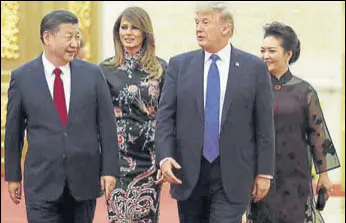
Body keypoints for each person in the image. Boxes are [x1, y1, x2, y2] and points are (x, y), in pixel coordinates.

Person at [155, 2, 275, 222]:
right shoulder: (179, 65)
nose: (198, 28)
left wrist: (264, 172)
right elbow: (165, 117)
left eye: (206, 22)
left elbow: (264, 126)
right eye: (196, 22)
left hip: (234, 173)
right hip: (189, 173)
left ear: (226, 28)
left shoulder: (254, 68)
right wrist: (165, 156)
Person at [4, 10, 120, 223]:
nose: (75, 43)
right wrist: (12, 176)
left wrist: (110, 170)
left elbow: (107, 126)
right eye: (68, 36)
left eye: (77, 36)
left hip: (84, 180)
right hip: (41, 181)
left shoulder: (93, 74)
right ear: (47, 37)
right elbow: (14, 131)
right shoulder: (22, 77)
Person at [247, 21, 341, 223]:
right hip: (263, 173)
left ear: (288, 54)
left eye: (271, 51)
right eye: (262, 51)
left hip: (296, 175)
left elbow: (317, 134)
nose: (265, 56)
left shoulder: (304, 91)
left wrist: (323, 174)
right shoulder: (253, 89)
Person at [99, 6, 167, 223]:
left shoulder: (160, 69)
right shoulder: (104, 69)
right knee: (119, 216)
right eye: (123, 27)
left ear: (145, 32)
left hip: (150, 158)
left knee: (146, 216)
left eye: (134, 27)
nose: (128, 33)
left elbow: (167, 116)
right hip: (117, 157)